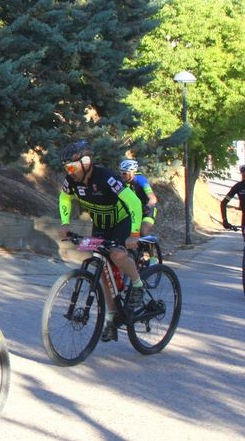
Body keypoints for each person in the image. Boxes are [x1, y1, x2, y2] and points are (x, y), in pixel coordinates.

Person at [58, 140, 145, 343]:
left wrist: (134, 234)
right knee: (102, 269)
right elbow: (64, 198)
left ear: (86, 163)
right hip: (100, 225)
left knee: (117, 255)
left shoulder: (106, 177)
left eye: (71, 167)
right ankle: (112, 319)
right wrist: (65, 222)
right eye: (66, 168)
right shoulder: (71, 181)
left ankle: (137, 284)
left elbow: (134, 203)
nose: (69, 172)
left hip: (121, 222)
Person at [118, 159, 159, 237]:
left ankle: (150, 244)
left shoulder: (140, 180)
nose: (122, 175)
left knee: (142, 232)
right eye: (120, 173)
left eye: (124, 173)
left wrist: (146, 208)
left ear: (132, 172)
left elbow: (153, 198)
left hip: (147, 210)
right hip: (134, 210)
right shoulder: (122, 182)